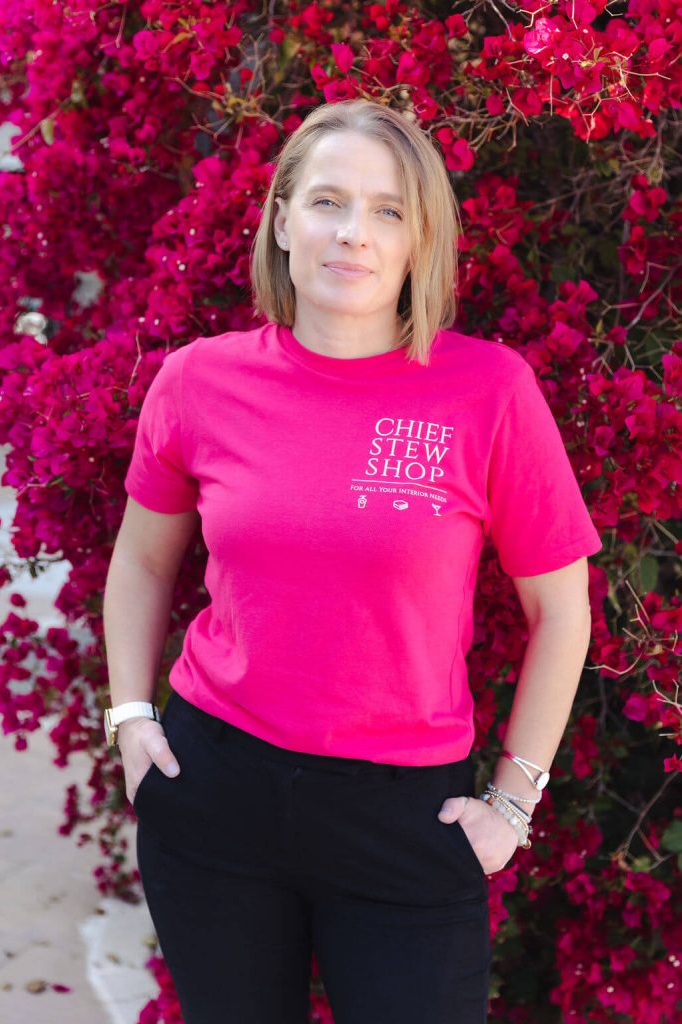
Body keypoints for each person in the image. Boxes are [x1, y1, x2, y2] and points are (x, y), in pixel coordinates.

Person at [102, 98, 602, 1024]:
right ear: (282, 217)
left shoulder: (488, 392)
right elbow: (140, 563)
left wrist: (513, 801)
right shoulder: (198, 381)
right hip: (216, 794)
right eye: (328, 201)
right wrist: (132, 718)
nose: (353, 234)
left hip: (403, 818)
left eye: (386, 210)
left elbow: (562, 610)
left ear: (420, 241)